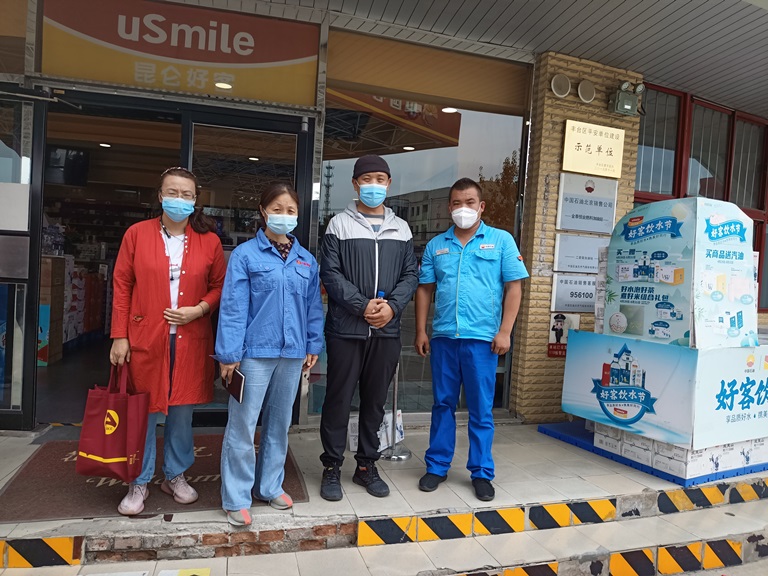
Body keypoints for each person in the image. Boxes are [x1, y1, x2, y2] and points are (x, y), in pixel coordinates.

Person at [110, 167, 226, 516]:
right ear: (160, 196)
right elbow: (122, 286)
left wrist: (199, 309)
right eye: (172, 192)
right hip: (145, 337)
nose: (179, 199)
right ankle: (139, 479)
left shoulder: (209, 241)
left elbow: (220, 286)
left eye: (186, 194)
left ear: (195, 200)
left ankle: (175, 474)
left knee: (181, 411)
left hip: (191, 339)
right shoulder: (136, 234)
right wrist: (119, 336)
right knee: (143, 411)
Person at [215, 182, 323, 526]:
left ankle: (270, 485)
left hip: (292, 354)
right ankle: (236, 497)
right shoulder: (245, 256)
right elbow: (233, 308)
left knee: (279, 423)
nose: (284, 216)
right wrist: (229, 354)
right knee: (243, 425)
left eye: (290, 210)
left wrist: (313, 344)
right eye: (277, 209)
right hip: (253, 354)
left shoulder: (306, 260)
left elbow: (313, 307)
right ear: (263, 212)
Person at [414, 177, 528, 502]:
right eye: (457, 203)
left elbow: (514, 287)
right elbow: (424, 289)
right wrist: (421, 330)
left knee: (481, 409)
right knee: (442, 404)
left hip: (482, 340)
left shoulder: (501, 241)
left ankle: (481, 472)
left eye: (469, 202)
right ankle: (437, 466)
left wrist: (505, 331)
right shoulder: (437, 246)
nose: (462, 208)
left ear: (481, 207)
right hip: (445, 338)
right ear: (449, 206)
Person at [318, 154, 418, 501]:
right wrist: (362, 305)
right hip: (346, 329)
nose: (373, 185)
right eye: (367, 179)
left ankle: (366, 466)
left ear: (388, 184)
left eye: (380, 179)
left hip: (386, 331)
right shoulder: (338, 225)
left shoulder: (402, 228)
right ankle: (332, 466)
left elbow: (411, 274)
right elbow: (330, 273)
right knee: (338, 399)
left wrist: (392, 307)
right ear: (355, 183)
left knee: (375, 402)